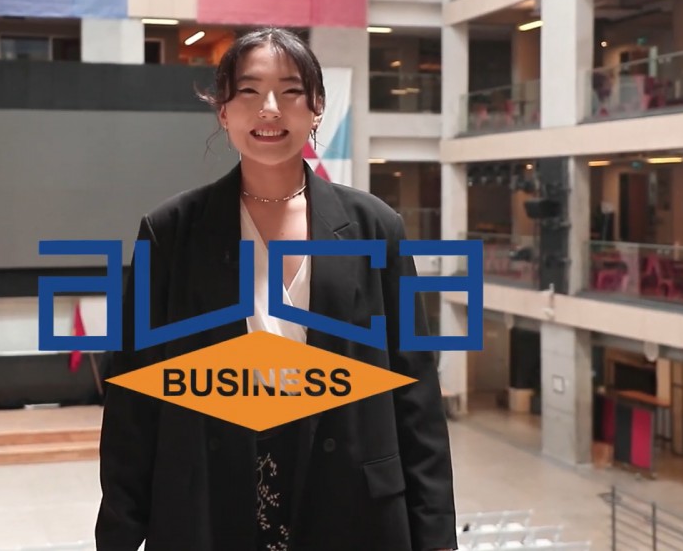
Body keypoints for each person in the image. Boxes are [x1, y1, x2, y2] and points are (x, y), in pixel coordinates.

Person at [95, 27, 457, 551]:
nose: (269, 109)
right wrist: (120, 536)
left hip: (350, 501)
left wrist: (437, 537)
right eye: (249, 91)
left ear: (317, 109)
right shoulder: (171, 232)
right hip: (210, 504)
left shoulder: (375, 227)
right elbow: (132, 398)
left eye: (290, 91)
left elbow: (416, 390)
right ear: (223, 110)